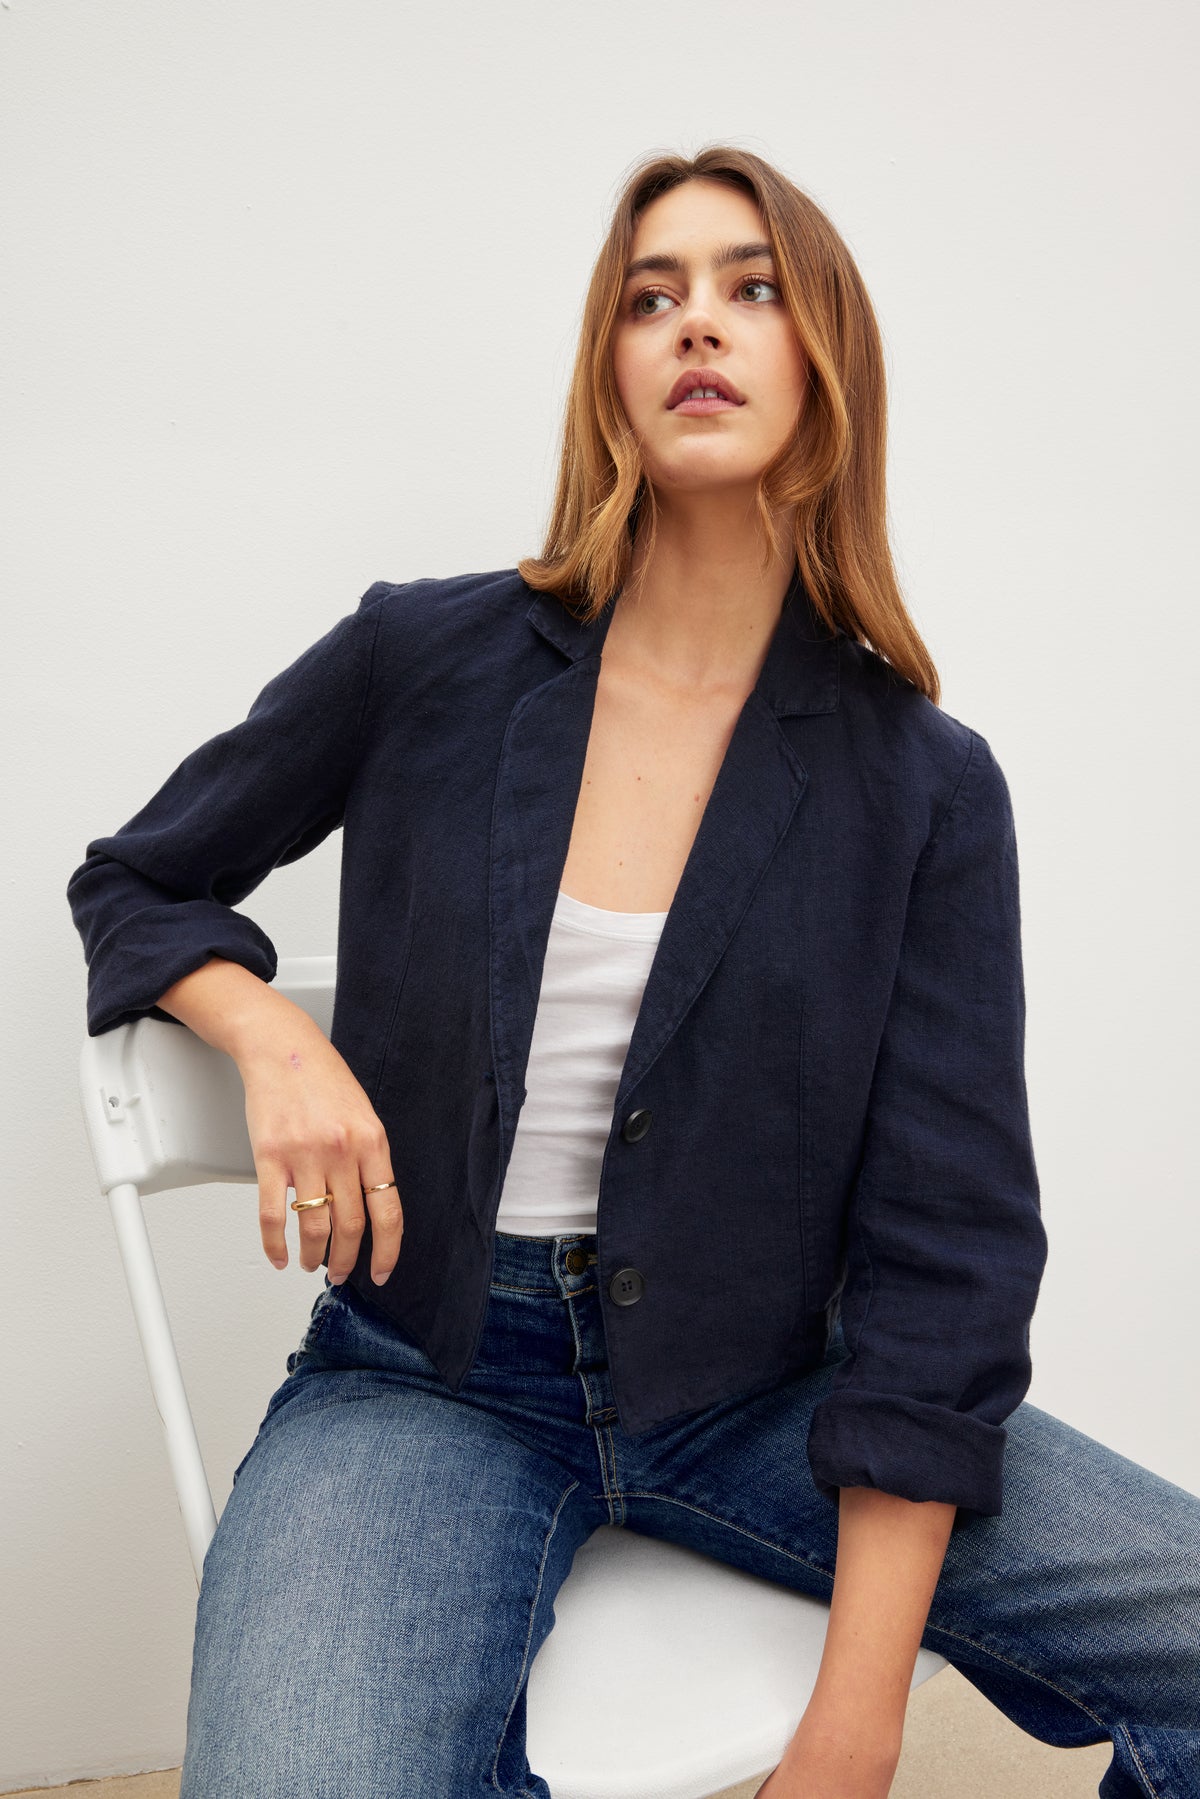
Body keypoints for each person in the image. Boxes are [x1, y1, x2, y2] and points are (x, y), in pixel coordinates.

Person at [67, 146, 1199, 1799]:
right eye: (648, 298)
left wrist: (857, 1723)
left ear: (826, 363)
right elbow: (137, 876)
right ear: (608, 374)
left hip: (769, 1385)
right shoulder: (425, 657)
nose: (696, 327)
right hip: (428, 1377)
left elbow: (946, 1250)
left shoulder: (922, 783)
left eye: (750, 289)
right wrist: (266, 1037)